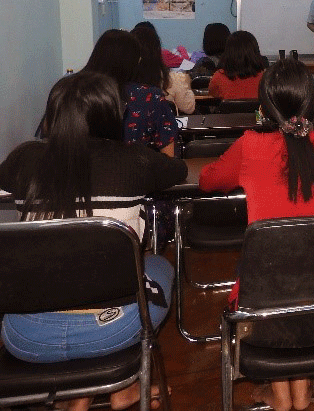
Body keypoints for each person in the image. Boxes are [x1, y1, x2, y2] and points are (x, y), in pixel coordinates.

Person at [0, 72, 186, 411]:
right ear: (111, 116)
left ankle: (80, 396)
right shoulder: (133, 162)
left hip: (23, 335)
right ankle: (122, 388)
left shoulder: (24, 160)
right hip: (112, 329)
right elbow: (179, 172)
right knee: (158, 265)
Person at [198, 58, 314, 411]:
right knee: (301, 273)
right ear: (313, 103)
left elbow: (207, 181)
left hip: (264, 311)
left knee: (273, 276)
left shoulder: (249, 146)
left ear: (264, 108)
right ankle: (299, 391)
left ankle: (283, 395)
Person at [82, 29, 179, 157]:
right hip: (135, 173)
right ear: (132, 62)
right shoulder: (149, 96)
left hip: (76, 174)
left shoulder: (69, 91)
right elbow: (168, 157)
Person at [131, 25, 195, 114]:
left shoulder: (122, 85)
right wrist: (187, 85)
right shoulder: (173, 80)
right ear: (157, 49)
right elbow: (188, 108)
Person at [209, 30, 266, 100]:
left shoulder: (218, 77)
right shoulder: (265, 79)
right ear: (255, 52)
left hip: (227, 111)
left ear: (228, 53)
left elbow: (212, 96)